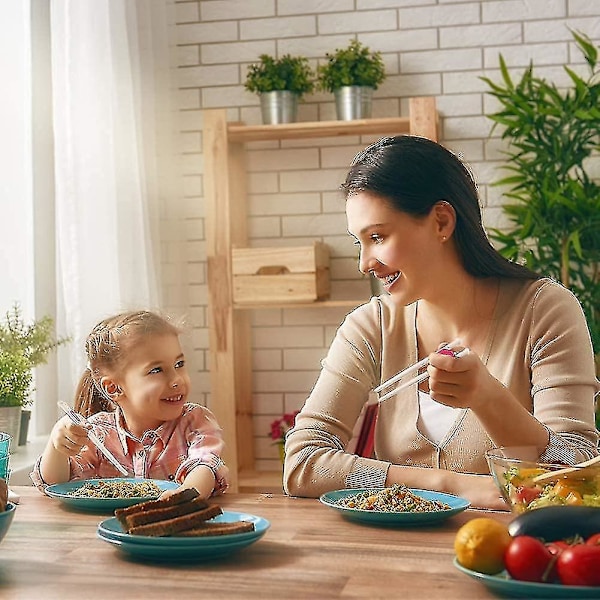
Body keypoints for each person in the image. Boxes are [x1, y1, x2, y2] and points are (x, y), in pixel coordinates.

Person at [283, 135, 599, 510]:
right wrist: (447, 485)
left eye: (378, 236)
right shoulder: (371, 326)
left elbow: (575, 470)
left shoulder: (544, 310)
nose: (365, 263)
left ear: (441, 222)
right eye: (360, 242)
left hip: (506, 555)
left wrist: (488, 397)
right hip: (391, 555)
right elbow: (302, 463)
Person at [31, 310, 229, 499]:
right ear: (113, 388)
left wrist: (185, 497)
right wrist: (57, 446)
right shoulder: (98, 432)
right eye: (156, 370)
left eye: (179, 364)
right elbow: (55, 483)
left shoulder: (195, 421)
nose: (176, 379)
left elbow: (204, 465)